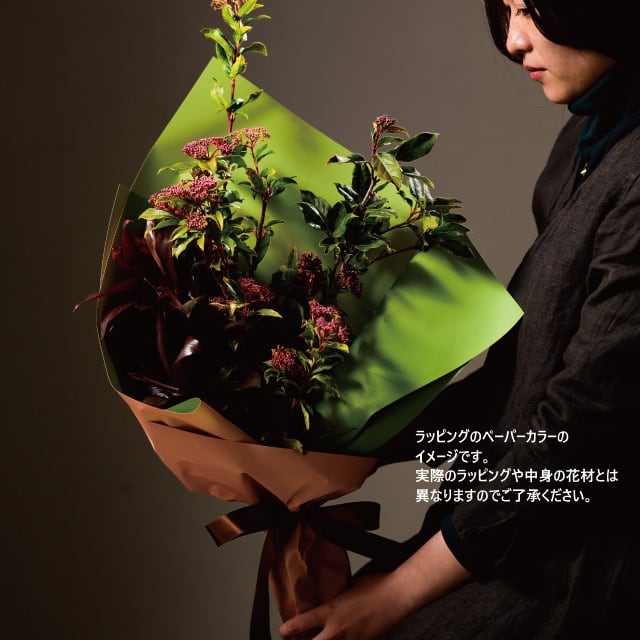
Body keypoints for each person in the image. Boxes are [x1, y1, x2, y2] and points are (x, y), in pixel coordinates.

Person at [279, 1, 640, 638]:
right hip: (505, 529)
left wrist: (396, 595)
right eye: (504, 10)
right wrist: (346, 443)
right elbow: (513, 388)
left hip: (581, 569)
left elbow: (578, 433)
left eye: (531, 9)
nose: (514, 41)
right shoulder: (585, 142)